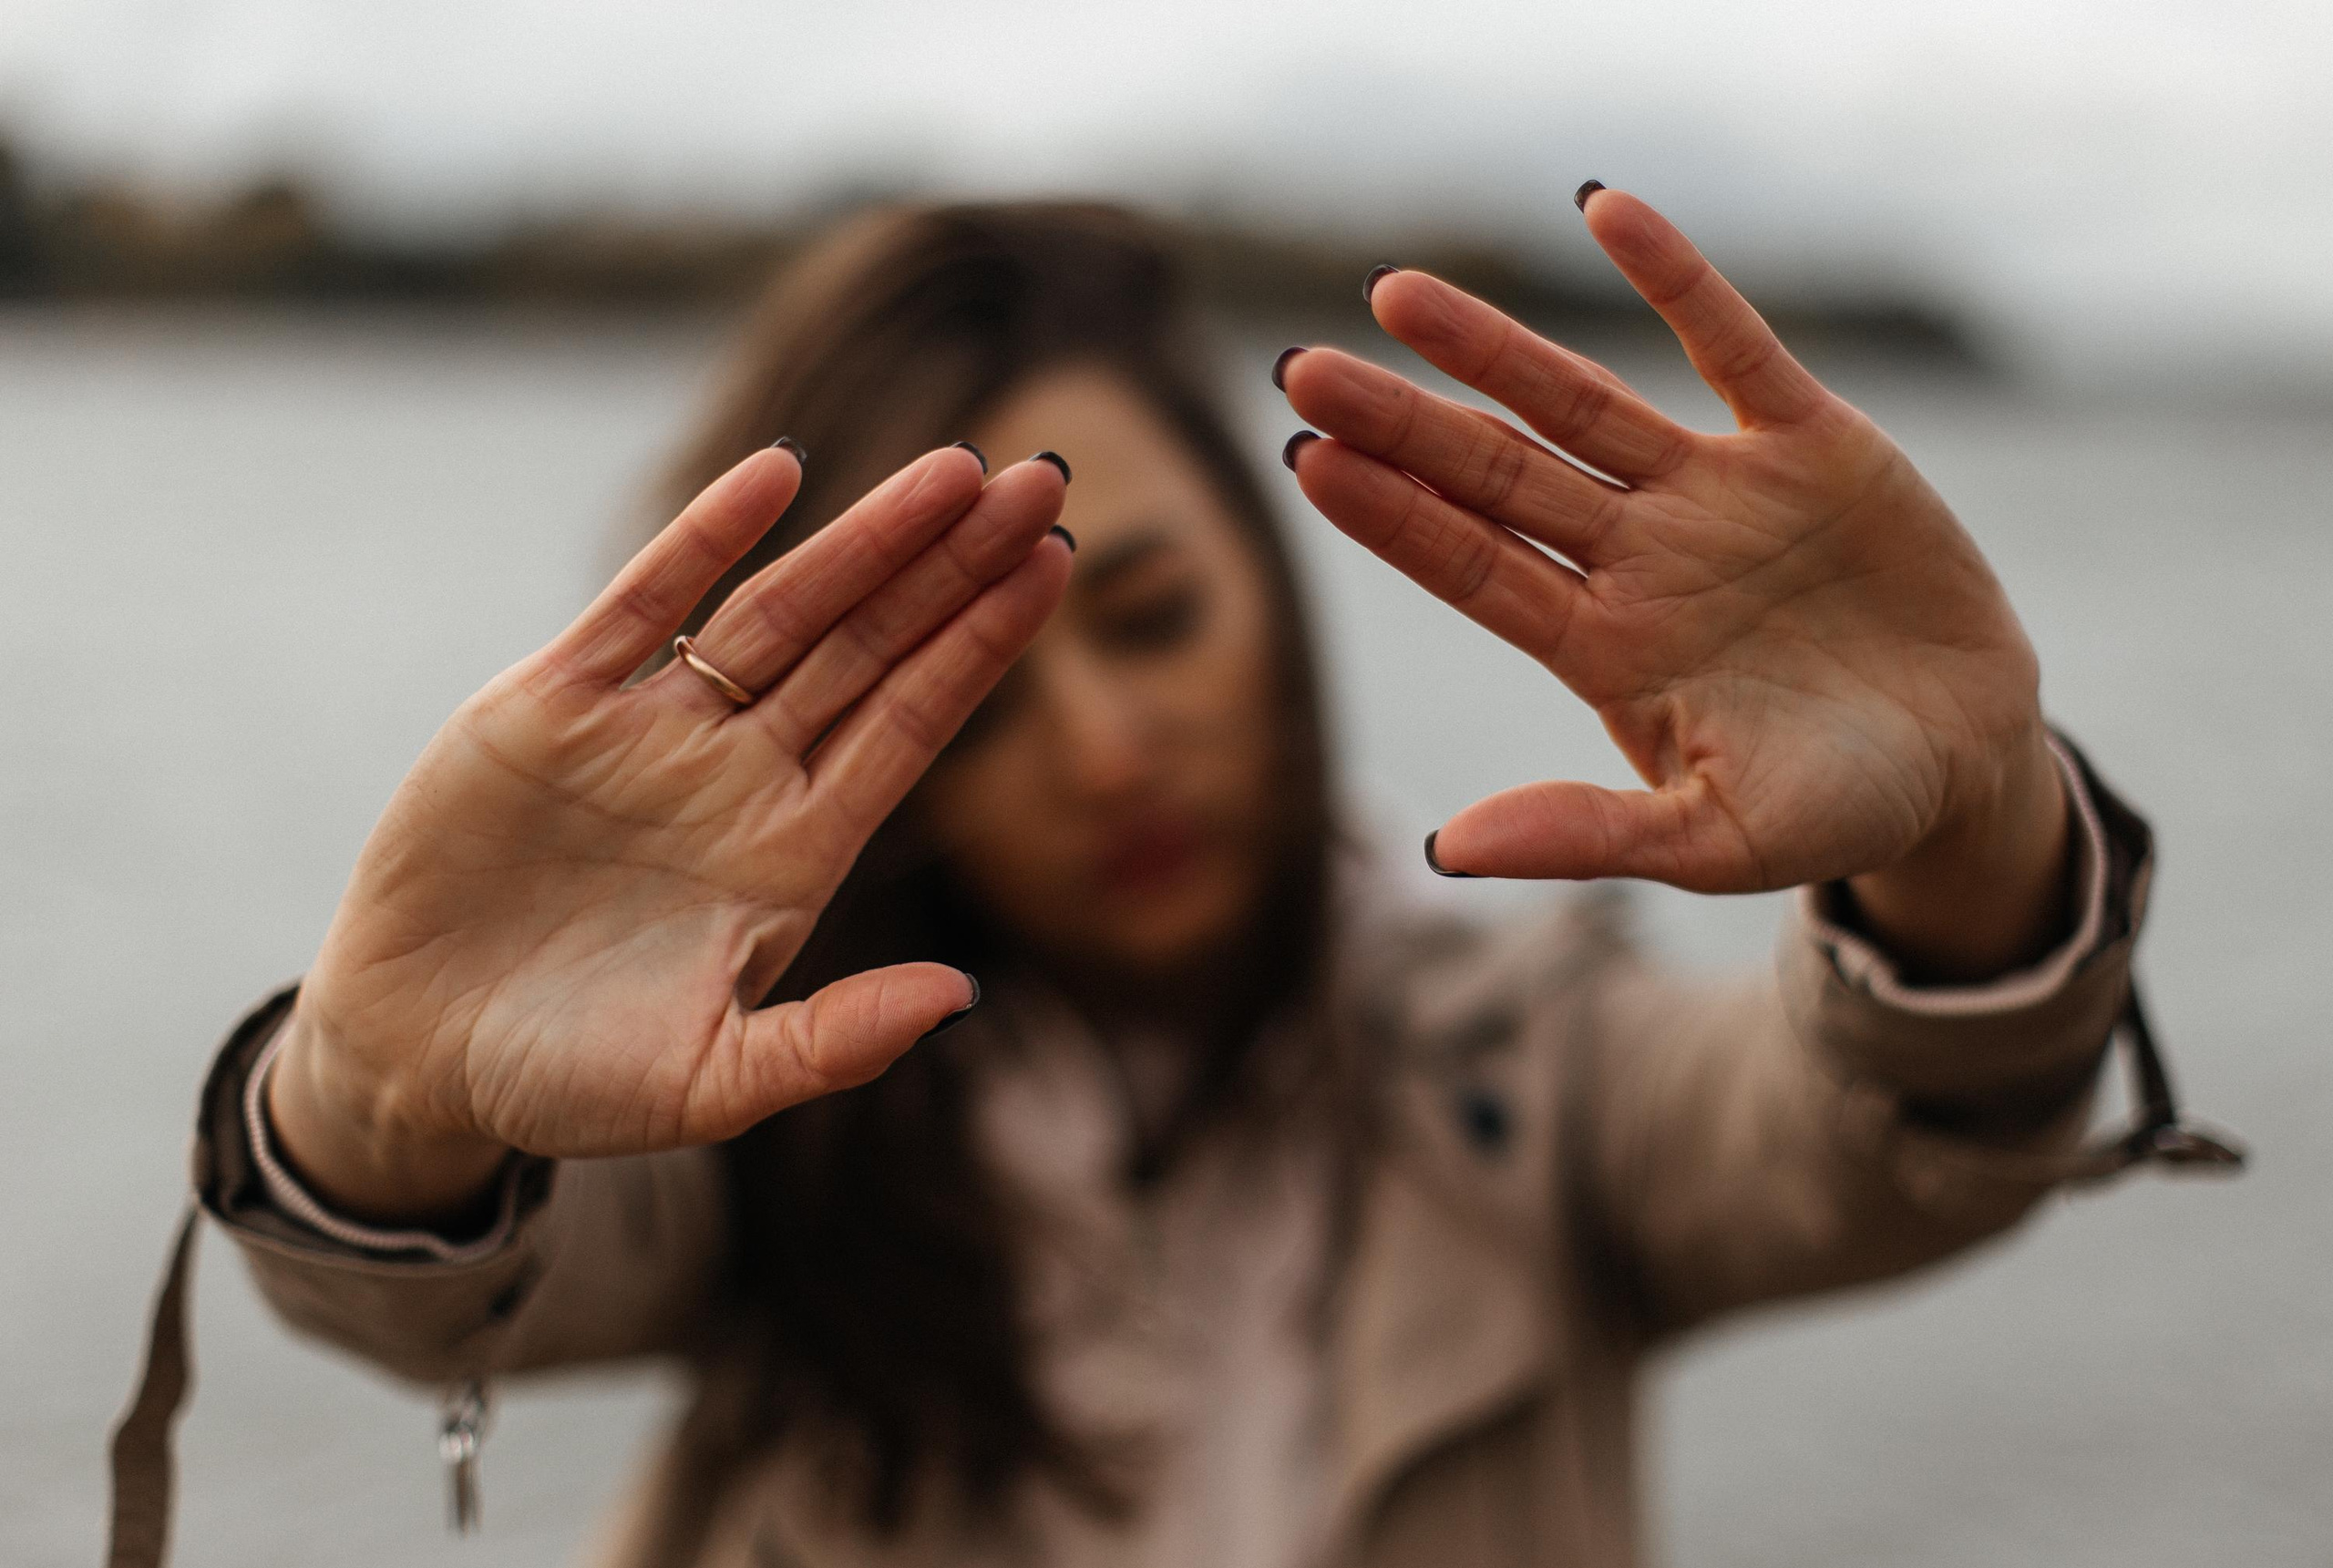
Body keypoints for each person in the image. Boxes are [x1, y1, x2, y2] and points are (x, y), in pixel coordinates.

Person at [115, 189, 2237, 1568]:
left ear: (1273, 576)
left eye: (1143, 616)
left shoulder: (1535, 1070)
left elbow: (1873, 1144)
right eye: (983, 697)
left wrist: (1968, 828)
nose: (1106, 746)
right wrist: (381, 1096)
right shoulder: (762, 1103)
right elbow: (442, 1270)